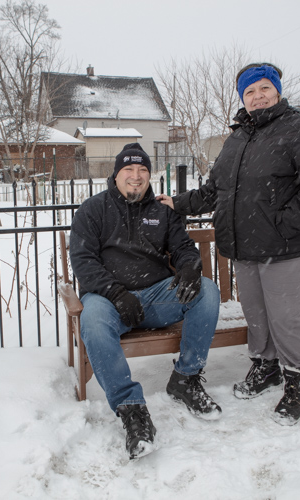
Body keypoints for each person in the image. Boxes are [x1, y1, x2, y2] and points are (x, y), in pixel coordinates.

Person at [157, 63, 300, 425]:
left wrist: (282, 225)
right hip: (244, 247)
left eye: (263, 89)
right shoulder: (238, 137)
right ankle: (266, 367)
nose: (257, 97)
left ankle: (296, 380)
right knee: (256, 314)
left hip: (289, 247)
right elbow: (216, 191)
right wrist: (177, 204)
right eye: (249, 92)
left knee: (285, 317)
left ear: (277, 90)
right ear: (242, 97)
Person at [69, 142, 222, 459]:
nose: (136, 176)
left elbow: (182, 249)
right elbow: (83, 261)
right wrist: (116, 293)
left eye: (143, 170)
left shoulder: (161, 212)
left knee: (207, 291)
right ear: (116, 174)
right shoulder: (92, 210)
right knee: (93, 322)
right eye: (129, 169)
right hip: (109, 301)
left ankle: (186, 379)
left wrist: (190, 268)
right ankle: (131, 409)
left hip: (155, 299)